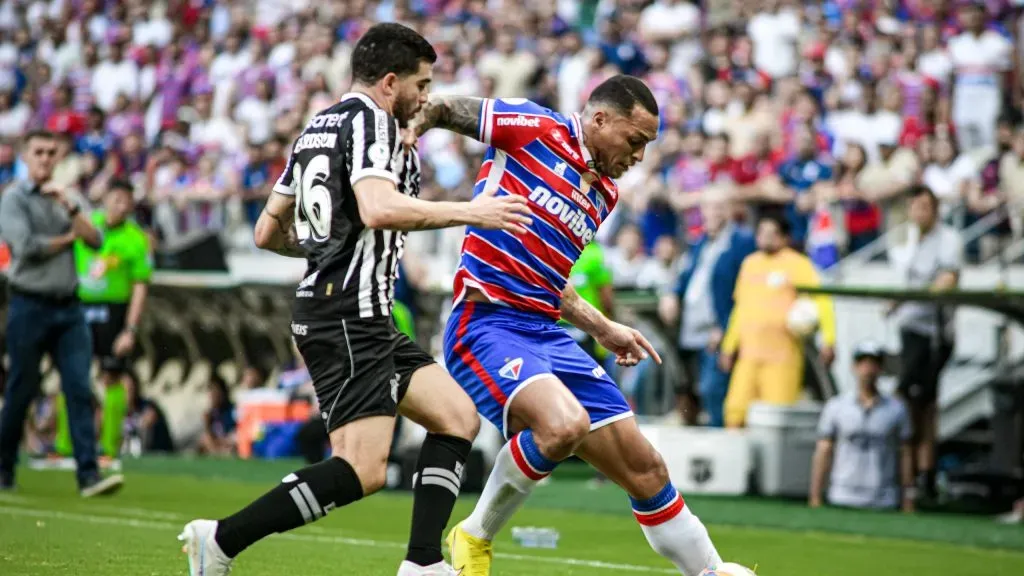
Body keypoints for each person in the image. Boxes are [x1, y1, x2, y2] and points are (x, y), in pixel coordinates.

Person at [177, 23, 531, 576]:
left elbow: (268, 231)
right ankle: (221, 539)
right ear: (390, 83)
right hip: (346, 314)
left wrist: (326, 249)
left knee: (458, 417)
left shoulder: (319, 126)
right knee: (361, 470)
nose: (426, 97)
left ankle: (422, 563)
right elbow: (378, 208)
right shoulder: (372, 122)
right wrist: (472, 210)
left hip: (357, 311)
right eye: (422, 83)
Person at [412, 75, 724, 576]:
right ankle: (475, 533)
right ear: (600, 119)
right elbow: (446, 109)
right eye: (635, 140)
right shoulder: (534, 128)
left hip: (546, 333)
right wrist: (408, 132)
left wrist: (603, 327)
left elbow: (550, 279)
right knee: (563, 426)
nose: (639, 156)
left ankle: (712, 570)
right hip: (486, 323)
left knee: (647, 469)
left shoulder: (604, 194)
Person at [0, 129, 123, 497]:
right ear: (26, 155)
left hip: (69, 307)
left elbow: (97, 240)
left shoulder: (68, 197)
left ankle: (88, 474)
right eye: (38, 152)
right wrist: (69, 237)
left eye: (51, 153)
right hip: (28, 303)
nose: (45, 159)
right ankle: (4, 466)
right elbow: (26, 248)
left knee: (79, 386)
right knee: (22, 388)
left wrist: (70, 209)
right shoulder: (13, 199)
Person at [719, 211, 836, 428]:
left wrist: (828, 339)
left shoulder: (798, 264)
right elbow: (740, 309)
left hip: (782, 356)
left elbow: (822, 301)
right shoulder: (750, 264)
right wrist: (728, 346)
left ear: (785, 238)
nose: (765, 237)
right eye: (761, 232)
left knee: (775, 418)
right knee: (735, 412)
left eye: (771, 233)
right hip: (749, 355)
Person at [888, 185, 962, 501]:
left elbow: (947, 280)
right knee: (911, 402)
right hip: (910, 328)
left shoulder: (948, 240)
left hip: (932, 332)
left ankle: (924, 474)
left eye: (923, 207)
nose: (918, 213)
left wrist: (915, 297)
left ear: (934, 209)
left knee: (922, 404)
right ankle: (912, 475)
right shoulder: (910, 239)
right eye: (913, 208)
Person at [659, 186, 756, 426]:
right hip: (692, 330)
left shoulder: (741, 242)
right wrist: (671, 294)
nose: (712, 213)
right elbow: (685, 276)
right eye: (707, 207)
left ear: (731, 210)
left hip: (718, 331)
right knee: (691, 391)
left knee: (714, 390)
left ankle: (721, 445)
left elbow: (746, 291)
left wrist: (724, 327)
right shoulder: (701, 242)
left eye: (719, 207)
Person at [74, 178, 152, 457]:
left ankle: (108, 449)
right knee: (71, 375)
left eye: (126, 202)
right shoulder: (87, 225)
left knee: (112, 376)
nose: (121, 207)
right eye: (116, 199)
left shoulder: (135, 238)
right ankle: (64, 446)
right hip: (79, 308)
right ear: (105, 198)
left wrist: (130, 329)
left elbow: (140, 285)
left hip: (114, 312)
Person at [809, 341, 915, 513]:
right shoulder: (837, 406)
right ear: (854, 367)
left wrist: (908, 498)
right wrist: (815, 495)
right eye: (863, 363)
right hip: (843, 495)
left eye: (873, 363)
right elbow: (823, 451)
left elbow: (905, 453)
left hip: (883, 498)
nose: (868, 370)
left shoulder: (896, 409)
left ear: (881, 368)